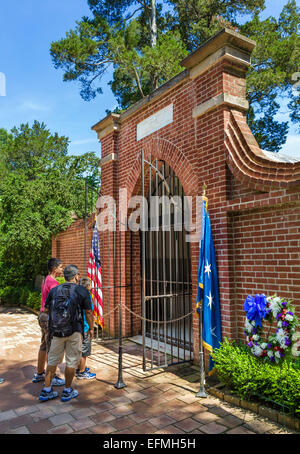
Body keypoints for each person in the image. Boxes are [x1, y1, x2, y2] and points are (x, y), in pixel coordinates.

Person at [39, 265, 94, 402]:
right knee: (71, 361)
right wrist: (91, 328)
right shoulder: (82, 291)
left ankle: (46, 390)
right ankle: (68, 390)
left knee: (52, 361)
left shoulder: (55, 290)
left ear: (64, 277)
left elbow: (45, 310)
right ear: (76, 276)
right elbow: (88, 312)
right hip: (74, 330)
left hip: (56, 331)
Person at [32, 258, 65, 386]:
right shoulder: (54, 283)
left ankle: (40, 374)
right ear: (54, 269)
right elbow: (56, 303)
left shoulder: (46, 279)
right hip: (49, 317)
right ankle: (52, 377)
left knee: (44, 345)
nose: (62, 269)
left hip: (42, 315)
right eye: (61, 267)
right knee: (52, 348)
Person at [75, 277, 96, 380]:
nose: (92, 287)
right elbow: (89, 312)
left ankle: (79, 368)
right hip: (85, 326)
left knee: (79, 349)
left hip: (77, 326)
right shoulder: (87, 296)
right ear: (88, 286)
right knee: (84, 350)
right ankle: (81, 372)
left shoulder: (76, 294)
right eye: (91, 285)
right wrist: (91, 328)